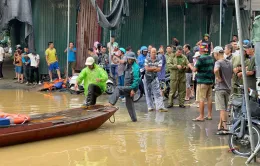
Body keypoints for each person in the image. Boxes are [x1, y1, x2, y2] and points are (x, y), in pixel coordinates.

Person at [105, 52, 140, 122]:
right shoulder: (127, 65)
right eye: (128, 59)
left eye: (131, 59)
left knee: (118, 88)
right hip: (127, 86)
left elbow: (136, 80)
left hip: (131, 87)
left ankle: (111, 103)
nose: (129, 60)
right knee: (129, 104)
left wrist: (133, 90)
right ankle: (134, 120)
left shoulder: (135, 67)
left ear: (133, 59)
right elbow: (119, 61)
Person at [189, 43, 214, 121]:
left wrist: (189, 65)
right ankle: (209, 115)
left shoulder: (200, 59)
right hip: (210, 81)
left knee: (201, 99)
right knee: (209, 98)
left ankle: (201, 116)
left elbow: (194, 70)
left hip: (202, 82)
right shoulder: (211, 58)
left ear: (201, 50)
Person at [213, 46, 232, 133]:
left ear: (217, 54)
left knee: (222, 109)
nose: (214, 56)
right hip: (228, 88)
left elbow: (216, 70)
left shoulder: (218, 62)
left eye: (214, 54)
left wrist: (218, 77)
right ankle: (220, 125)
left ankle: (225, 127)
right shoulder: (229, 62)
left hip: (220, 88)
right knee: (224, 108)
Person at [144, 48, 167, 112]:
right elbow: (146, 68)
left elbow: (159, 69)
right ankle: (150, 107)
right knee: (148, 93)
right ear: (150, 53)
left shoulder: (159, 59)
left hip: (154, 77)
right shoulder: (147, 59)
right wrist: (154, 68)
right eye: (152, 52)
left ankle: (160, 107)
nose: (154, 53)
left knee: (158, 93)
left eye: (155, 52)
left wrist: (151, 68)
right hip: (147, 78)